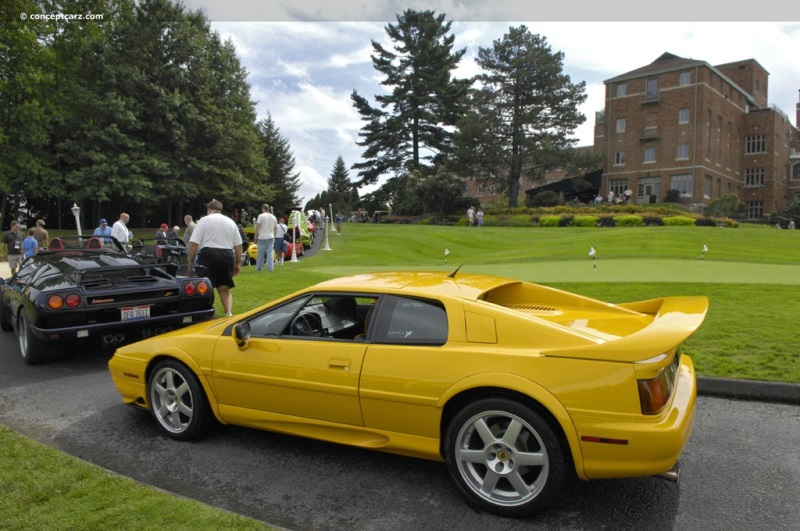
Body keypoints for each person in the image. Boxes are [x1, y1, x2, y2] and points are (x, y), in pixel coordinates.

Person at [187, 199, 242, 317]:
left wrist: (190, 262)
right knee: (224, 287)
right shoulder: (230, 222)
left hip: (209, 254)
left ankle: (206, 311)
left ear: (209, 210)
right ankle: (228, 312)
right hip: (227, 254)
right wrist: (237, 263)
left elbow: (193, 244)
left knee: (205, 286)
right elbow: (238, 245)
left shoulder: (204, 220)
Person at [254, 203, 277, 272]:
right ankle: (270, 268)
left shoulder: (261, 216)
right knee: (270, 253)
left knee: (261, 253)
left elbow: (257, 226)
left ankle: (259, 268)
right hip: (271, 236)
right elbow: (275, 228)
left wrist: (255, 236)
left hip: (262, 237)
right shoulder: (273, 217)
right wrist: (275, 237)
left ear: (263, 209)